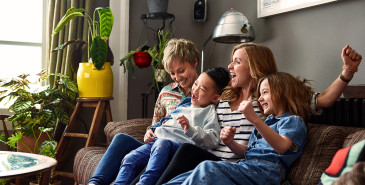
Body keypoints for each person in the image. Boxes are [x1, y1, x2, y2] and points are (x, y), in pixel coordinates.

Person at [155, 43, 362, 184]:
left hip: (234, 166)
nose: (229, 66)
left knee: (195, 161)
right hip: (214, 156)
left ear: (255, 67)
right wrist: (158, 127)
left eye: (237, 61)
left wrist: (347, 72)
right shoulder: (223, 96)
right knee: (172, 152)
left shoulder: (271, 99)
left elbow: (324, 99)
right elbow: (194, 108)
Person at [164, 72, 313, 184]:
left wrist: (254, 119)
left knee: (207, 167)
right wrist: (230, 143)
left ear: (283, 93)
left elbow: (282, 147)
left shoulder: (293, 120)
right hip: (247, 166)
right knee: (184, 177)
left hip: (268, 172)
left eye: (265, 93)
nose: (260, 98)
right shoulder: (267, 123)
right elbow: (248, 152)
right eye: (259, 94)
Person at [87, 38, 200, 185]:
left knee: (160, 148)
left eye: (181, 71)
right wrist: (149, 132)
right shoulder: (165, 92)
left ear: (195, 62)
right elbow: (155, 124)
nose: (177, 78)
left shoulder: (206, 92)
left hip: (177, 148)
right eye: (172, 73)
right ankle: (95, 183)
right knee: (121, 138)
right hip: (157, 143)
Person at [113, 67, 230, 185]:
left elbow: (213, 139)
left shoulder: (209, 112)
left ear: (215, 97)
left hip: (175, 146)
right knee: (130, 158)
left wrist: (190, 129)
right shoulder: (184, 105)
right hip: (157, 142)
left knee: (160, 147)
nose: (195, 90)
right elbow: (165, 122)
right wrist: (153, 130)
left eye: (203, 89)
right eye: (195, 84)